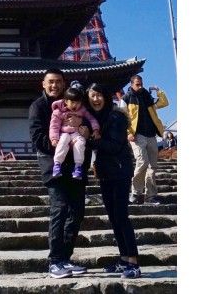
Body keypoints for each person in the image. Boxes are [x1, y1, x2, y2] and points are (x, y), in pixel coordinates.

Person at [29, 68, 91, 279]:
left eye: (58, 82)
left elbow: (88, 128)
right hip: (53, 165)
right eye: (50, 82)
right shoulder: (38, 107)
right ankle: (55, 261)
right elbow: (38, 138)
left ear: (64, 84)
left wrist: (83, 129)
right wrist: (62, 146)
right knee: (60, 209)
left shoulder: (75, 104)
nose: (54, 85)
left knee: (77, 212)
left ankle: (65, 257)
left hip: (75, 166)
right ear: (43, 84)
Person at [86, 83, 142, 279]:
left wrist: (91, 140)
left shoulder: (115, 116)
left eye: (99, 95)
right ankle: (124, 258)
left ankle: (134, 262)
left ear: (107, 97)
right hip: (106, 173)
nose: (96, 99)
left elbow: (114, 145)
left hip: (119, 171)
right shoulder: (95, 118)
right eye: (92, 95)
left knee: (121, 216)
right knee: (113, 217)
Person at [124, 75, 169, 205]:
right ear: (131, 84)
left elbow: (164, 103)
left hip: (151, 134)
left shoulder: (148, 97)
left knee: (152, 166)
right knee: (142, 161)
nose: (140, 86)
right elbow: (122, 116)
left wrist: (158, 90)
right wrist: (128, 132)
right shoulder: (126, 98)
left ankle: (151, 196)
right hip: (137, 135)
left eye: (141, 84)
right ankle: (135, 192)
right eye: (137, 84)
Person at [49, 87, 101, 179]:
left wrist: (96, 130)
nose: (76, 105)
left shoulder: (82, 110)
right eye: (72, 102)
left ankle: (78, 166)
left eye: (78, 102)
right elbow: (54, 126)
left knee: (80, 143)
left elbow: (92, 119)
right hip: (64, 132)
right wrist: (54, 138)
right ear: (66, 101)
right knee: (63, 141)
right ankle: (57, 164)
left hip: (77, 133)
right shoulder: (58, 112)